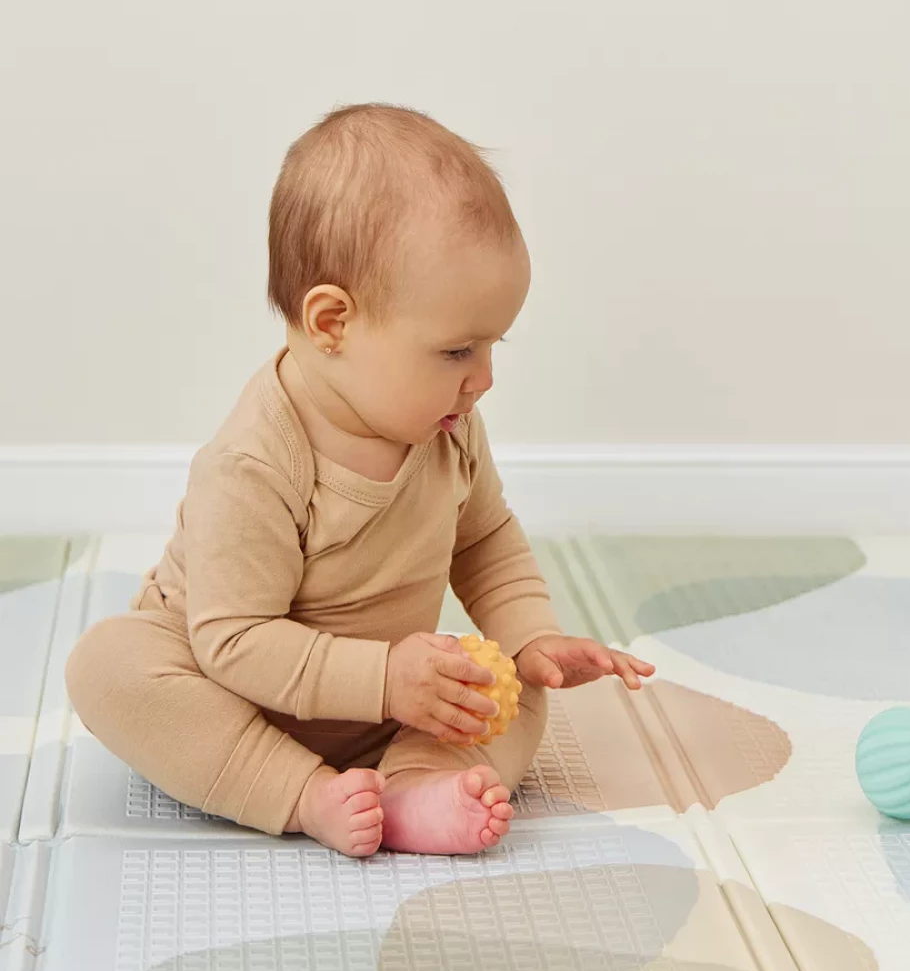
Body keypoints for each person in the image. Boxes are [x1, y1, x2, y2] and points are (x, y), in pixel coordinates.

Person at [66, 103, 654, 857]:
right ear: (333, 323)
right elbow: (234, 639)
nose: (484, 379)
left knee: (513, 681)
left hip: (391, 697)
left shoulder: (448, 428)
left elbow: (485, 540)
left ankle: (414, 787)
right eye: (456, 351)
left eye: (492, 346)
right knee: (109, 667)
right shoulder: (254, 463)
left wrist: (532, 635)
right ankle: (299, 791)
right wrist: (385, 677)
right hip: (239, 696)